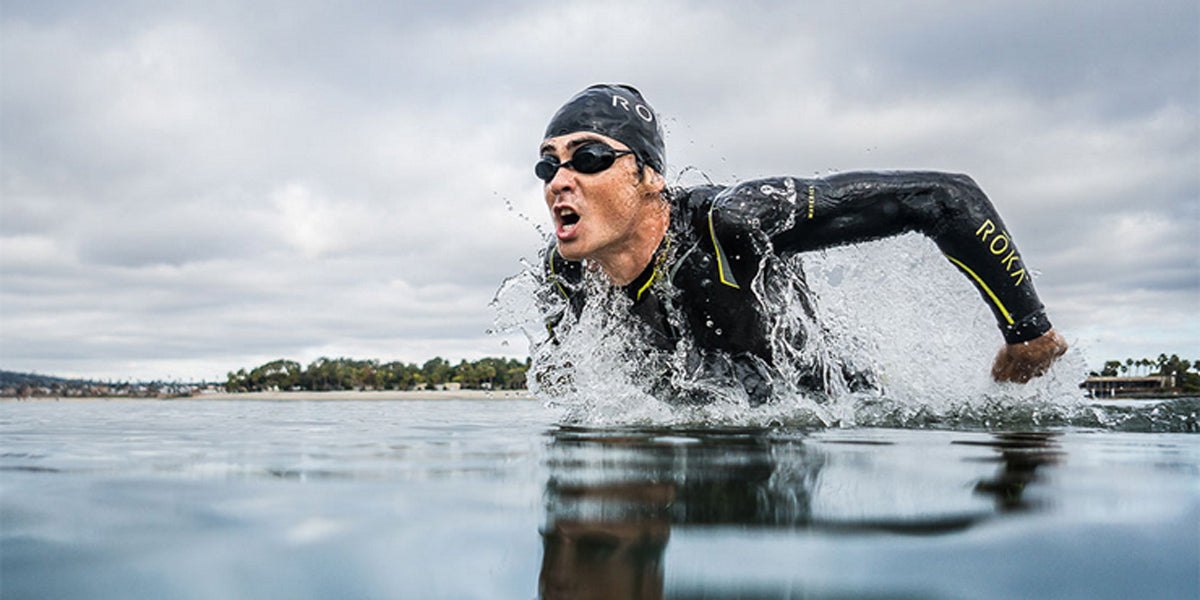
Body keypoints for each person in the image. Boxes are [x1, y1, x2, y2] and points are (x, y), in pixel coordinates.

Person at [535, 84, 1067, 405]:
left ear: (649, 176)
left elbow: (945, 198)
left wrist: (1027, 334)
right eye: (548, 163)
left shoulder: (731, 224)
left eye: (588, 158)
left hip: (833, 426)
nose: (560, 179)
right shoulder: (566, 276)